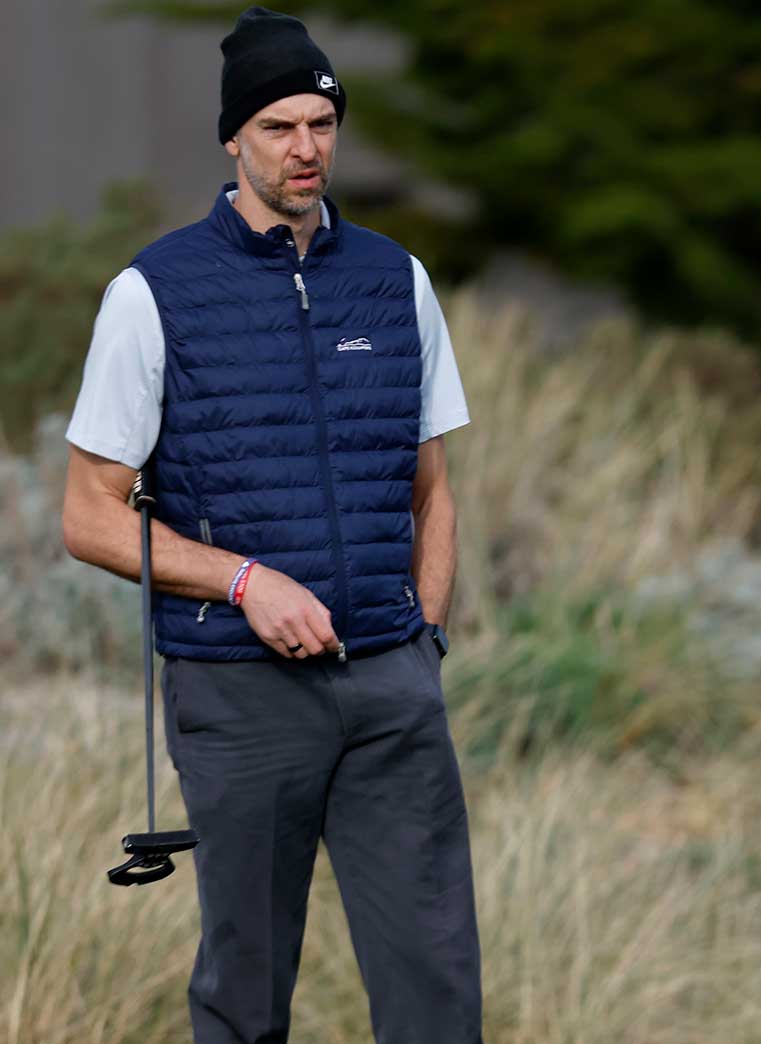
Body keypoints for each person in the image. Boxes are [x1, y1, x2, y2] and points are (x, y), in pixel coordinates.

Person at [60, 8, 480, 1041]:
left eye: (322, 124)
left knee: (435, 986)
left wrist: (421, 640)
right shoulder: (152, 294)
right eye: (280, 127)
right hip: (240, 696)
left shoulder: (396, 280)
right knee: (245, 990)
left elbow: (431, 487)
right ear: (233, 139)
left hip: (389, 683)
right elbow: (88, 518)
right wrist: (246, 582)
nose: (306, 149)